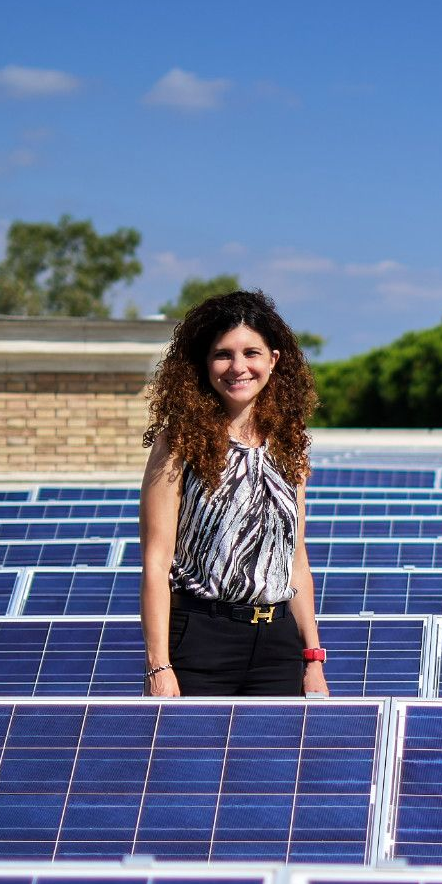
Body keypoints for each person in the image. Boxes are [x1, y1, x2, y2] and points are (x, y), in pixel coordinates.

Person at [139, 289, 328, 697]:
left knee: (274, 760)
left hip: (279, 645)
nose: (238, 367)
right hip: (201, 643)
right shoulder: (179, 443)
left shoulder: (289, 444)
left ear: (273, 360)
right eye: (223, 354)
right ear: (204, 364)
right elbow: (156, 563)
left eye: (251, 353)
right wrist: (159, 666)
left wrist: (312, 659)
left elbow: (295, 561)